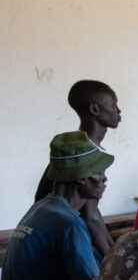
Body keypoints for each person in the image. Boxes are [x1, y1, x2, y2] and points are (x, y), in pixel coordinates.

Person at [3, 131, 114, 280]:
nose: (105, 178)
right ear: (81, 177)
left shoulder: (41, 208)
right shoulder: (69, 223)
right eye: (99, 171)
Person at [35, 80, 121, 257]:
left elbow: (94, 213)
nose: (118, 111)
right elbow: (91, 218)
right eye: (114, 105)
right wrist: (114, 261)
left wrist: (114, 249)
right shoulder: (85, 155)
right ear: (95, 110)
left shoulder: (77, 149)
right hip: (61, 242)